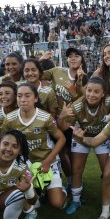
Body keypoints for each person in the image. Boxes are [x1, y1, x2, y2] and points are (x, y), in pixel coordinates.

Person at [1, 83, 66, 219]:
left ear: (36, 98)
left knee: (57, 203)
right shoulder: (10, 119)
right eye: (19, 96)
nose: (23, 99)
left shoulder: (45, 117)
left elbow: (62, 139)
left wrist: (48, 161)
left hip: (47, 162)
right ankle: (31, 209)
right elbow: (3, 141)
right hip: (24, 163)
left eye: (27, 95)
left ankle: (62, 190)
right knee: (24, 197)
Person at [57, 77, 110, 214]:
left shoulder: (108, 101)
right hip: (81, 137)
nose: (91, 94)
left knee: (107, 170)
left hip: (101, 137)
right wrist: (61, 117)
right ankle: (76, 200)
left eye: (96, 92)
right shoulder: (77, 105)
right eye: (89, 90)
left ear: (103, 94)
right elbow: (62, 128)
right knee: (77, 170)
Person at [40, 47, 87, 191]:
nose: (73, 58)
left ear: (82, 59)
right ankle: (71, 180)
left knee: (72, 154)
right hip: (56, 119)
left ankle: (76, 183)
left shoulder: (86, 77)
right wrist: (42, 59)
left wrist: (77, 88)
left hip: (75, 121)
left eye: (76, 56)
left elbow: (88, 101)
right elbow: (37, 74)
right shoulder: (57, 71)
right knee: (61, 151)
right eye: (70, 56)